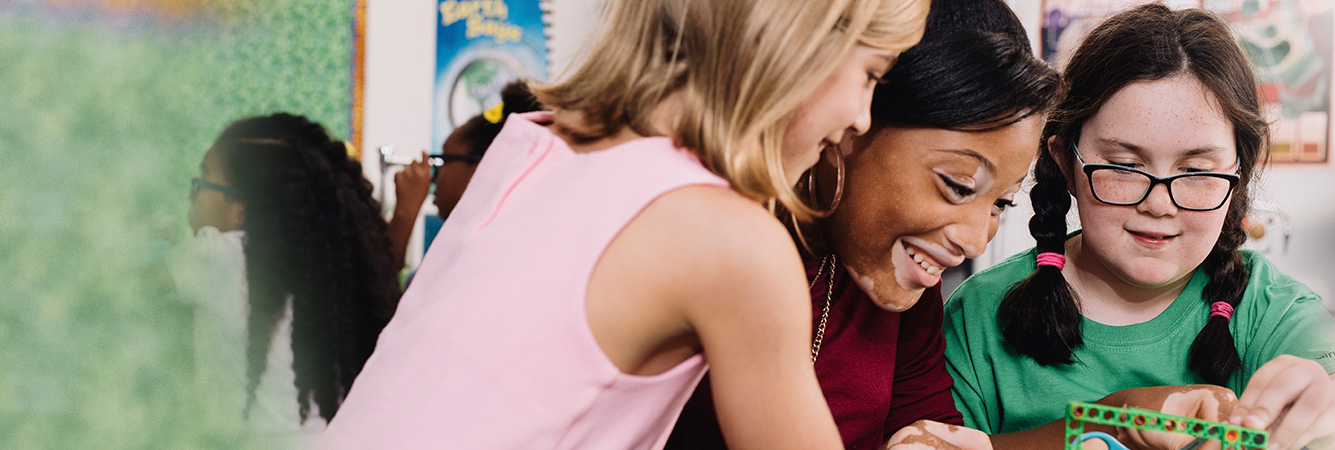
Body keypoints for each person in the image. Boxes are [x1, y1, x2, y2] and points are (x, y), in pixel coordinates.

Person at [316, 0, 927, 448]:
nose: (862, 119)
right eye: (870, 74)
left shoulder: (533, 144)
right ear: (792, 42)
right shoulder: (730, 241)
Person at [941, 5, 1335, 450]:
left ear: (1237, 173)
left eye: (1197, 171)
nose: (1159, 204)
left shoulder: (1270, 309)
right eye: (1125, 167)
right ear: (1066, 162)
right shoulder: (979, 317)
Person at [662, 0, 1057, 448]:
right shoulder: (704, 237)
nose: (972, 240)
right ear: (853, 121)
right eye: (957, 185)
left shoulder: (903, 278)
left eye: (1002, 202)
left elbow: (927, 427)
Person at [173, 113, 400, 442]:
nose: (192, 198)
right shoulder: (326, 261)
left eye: (201, 182)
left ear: (241, 205)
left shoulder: (219, 255)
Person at [387, 80, 544, 261]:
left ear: (481, 168)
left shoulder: (486, 256)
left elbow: (376, 285)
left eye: (444, 160)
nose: (433, 180)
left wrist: (404, 213)